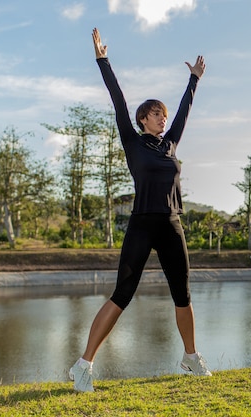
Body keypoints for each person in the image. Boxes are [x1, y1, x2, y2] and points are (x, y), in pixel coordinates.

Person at [69, 27, 211, 392]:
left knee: (183, 294)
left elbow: (185, 112)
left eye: (162, 114)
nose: (162, 118)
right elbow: (117, 98)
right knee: (122, 294)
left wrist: (192, 80)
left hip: (172, 225)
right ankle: (84, 366)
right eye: (155, 114)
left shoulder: (170, 145)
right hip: (142, 225)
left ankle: (191, 358)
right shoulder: (133, 143)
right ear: (142, 120)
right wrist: (103, 60)